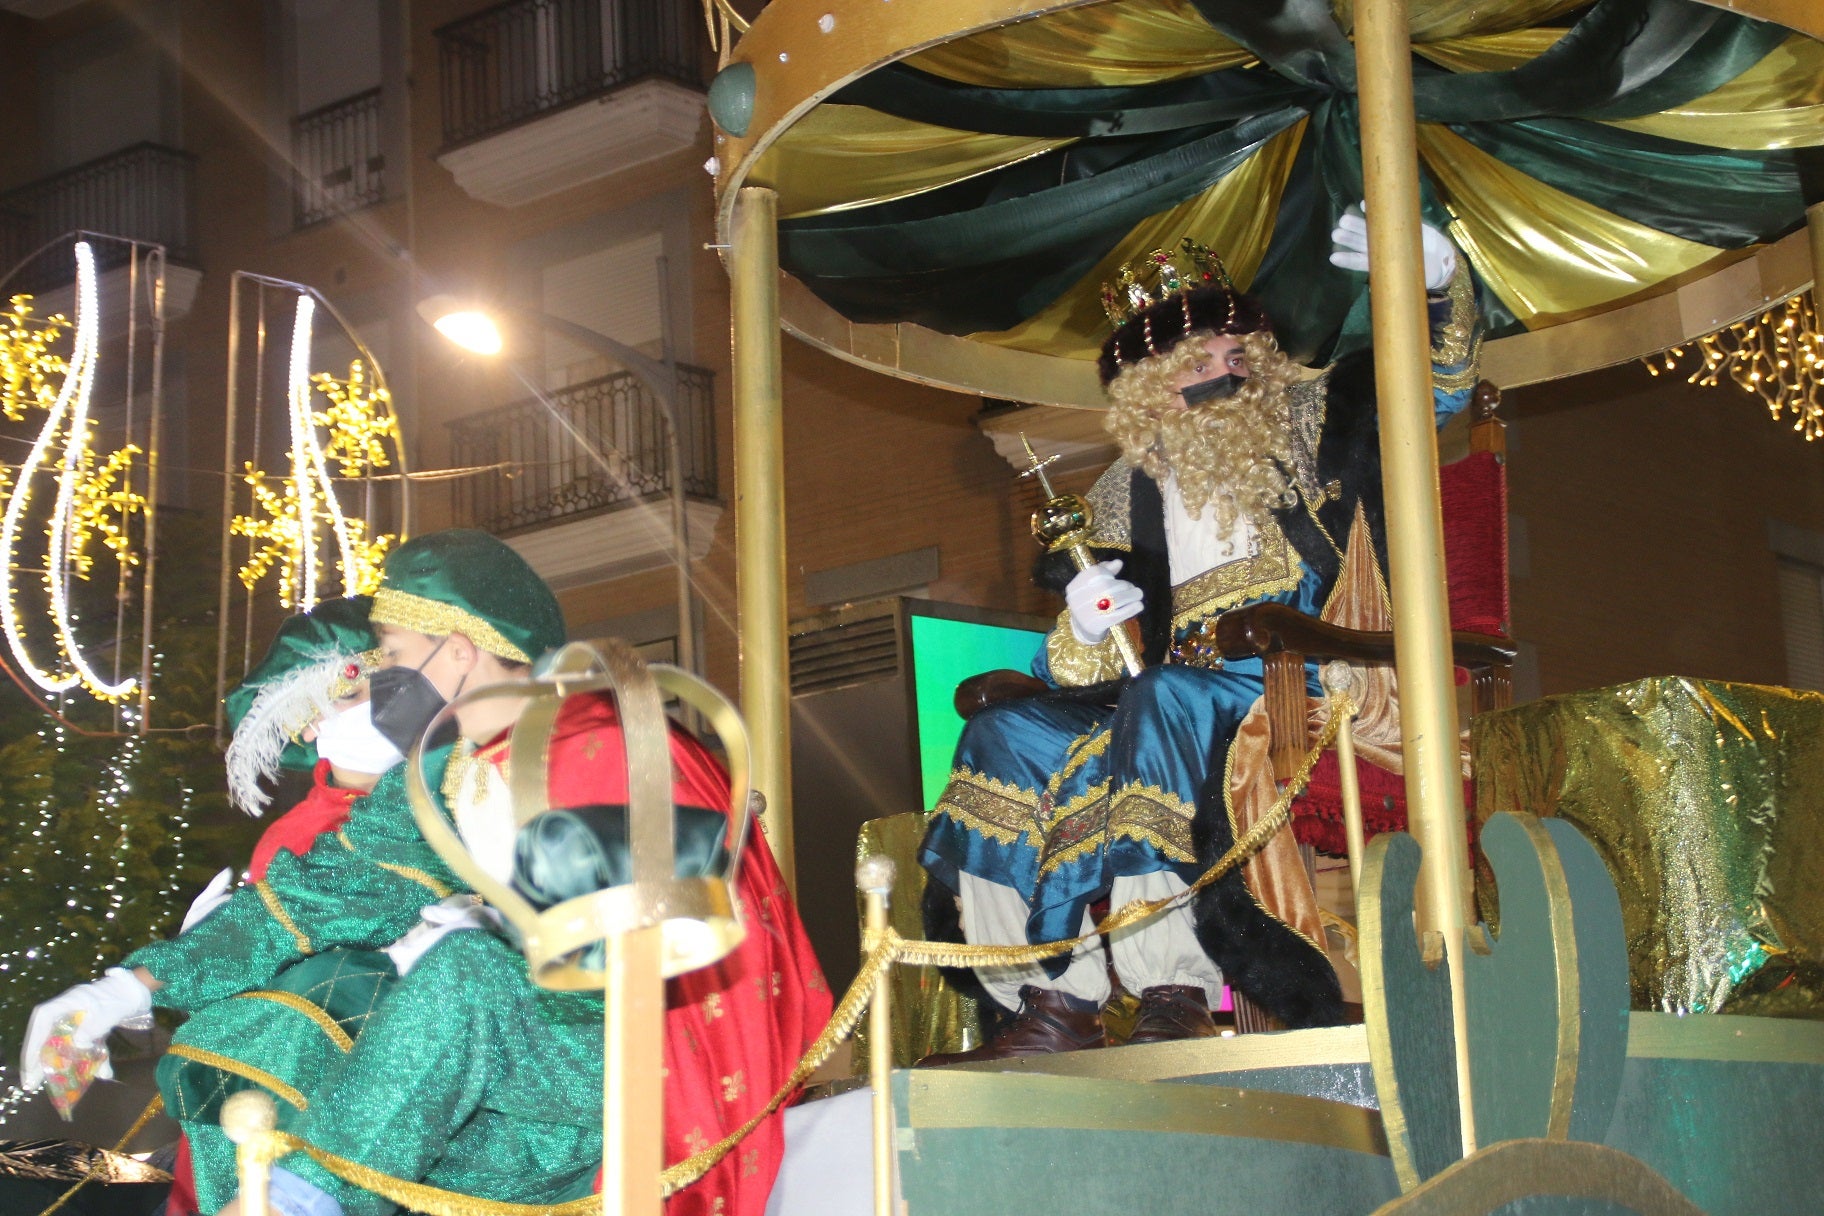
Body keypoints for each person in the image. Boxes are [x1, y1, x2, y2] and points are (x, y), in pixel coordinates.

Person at [918, 211, 1480, 1061]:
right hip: (1161, 699)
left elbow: (1431, 387)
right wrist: (1079, 624)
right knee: (1003, 730)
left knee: (1161, 696)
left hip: (1310, 683)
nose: (1229, 374)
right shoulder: (1121, 491)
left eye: (1239, 355)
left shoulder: (1320, 416)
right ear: (1150, 388)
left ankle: (1169, 986)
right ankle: (1048, 1001)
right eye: (1201, 363)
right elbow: (1078, 665)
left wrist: (1433, 286)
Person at [213, 529, 830, 1216]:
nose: (382, 679)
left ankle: (291, 1204)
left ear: (458, 650)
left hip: (654, 1053)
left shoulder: (593, 742)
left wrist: (495, 927)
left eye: (391, 656)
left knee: (462, 972)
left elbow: (651, 947)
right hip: (544, 1062)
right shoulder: (474, 764)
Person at [17, 595, 429, 1215]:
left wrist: (139, 986)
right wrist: (152, 984)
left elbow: (299, 927)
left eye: (397, 682)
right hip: (269, 1102)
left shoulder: (433, 804)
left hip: (361, 1107)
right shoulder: (302, 828)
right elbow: (276, 933)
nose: (382, 703)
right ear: (307, 719)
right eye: (356, 687)